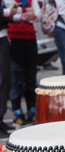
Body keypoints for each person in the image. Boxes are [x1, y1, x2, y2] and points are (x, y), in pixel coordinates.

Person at [7, 0, 41, 125]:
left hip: (30, 38)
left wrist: (27, 15)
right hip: (14, 39)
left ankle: (31, 110)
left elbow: (38, 15)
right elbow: (8, 14)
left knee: (31, 77)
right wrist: (26, 12)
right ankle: (16, 111)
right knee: (16, 77)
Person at [0, 1, 21, 136]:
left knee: (5, 81)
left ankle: (0, 119)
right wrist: (9, 12)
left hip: (2, 37)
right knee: (2, 81)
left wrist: (13, 14)